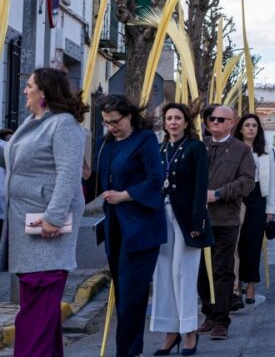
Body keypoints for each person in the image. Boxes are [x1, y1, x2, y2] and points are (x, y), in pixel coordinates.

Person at [2, 68, 87, 357]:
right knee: (41, 316)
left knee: (35, 316)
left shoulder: (63, 124)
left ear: (44, 92)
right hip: (28, 228)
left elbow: (68, 175)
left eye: (29, 86)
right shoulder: (34, 122)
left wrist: (53, 217)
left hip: (45, 230)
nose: (25, 91)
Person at [95, 94, 166, 357]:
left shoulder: (145, 140)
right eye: (106, 122)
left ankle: (127, 352)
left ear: (129, 116)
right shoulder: (108, 144)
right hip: (115, 228)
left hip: (141, 228)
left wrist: (124, 195)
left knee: (132, 296)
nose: (111, 127)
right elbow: (97, 181)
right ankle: (129, 350)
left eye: (115, 121)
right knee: (123, 296)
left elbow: (156, 180)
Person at [151, 103, 212, 356]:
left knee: (183, 275)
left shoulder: (196, 148)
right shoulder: (161, 148)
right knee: (162, 276)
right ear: (165, 123)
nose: (173, 122)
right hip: (162, 216)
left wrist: (198, 222)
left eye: (178, 118)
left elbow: (200, 187)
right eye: (169, 118)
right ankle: (170, 332)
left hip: (187, 220)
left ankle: (189, 331)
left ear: (186, 122)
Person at [198, 106, 255, 341]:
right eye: (212, 119)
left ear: (232, 123)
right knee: (201, 271)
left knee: (222, 270)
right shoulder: (199, 146)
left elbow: (247, 181)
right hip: (199, 219)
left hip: (226, 218)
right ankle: (208, 313)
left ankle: (222, 319)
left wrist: (219, 194)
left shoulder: (241, 150)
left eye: (221, 119)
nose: (216, 122)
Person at [234, 114, 275, 303]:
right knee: (237, 244)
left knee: (253, 245)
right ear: (240, 129)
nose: (251, 128)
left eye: (254, 125)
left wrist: (271, 209)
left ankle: (251, 285)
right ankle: (237, 285)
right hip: (236, 198)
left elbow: (272, 181)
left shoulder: (266, 150)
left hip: (258, 197)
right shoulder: (233, 149)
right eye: (247, 125)